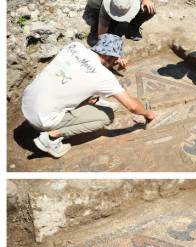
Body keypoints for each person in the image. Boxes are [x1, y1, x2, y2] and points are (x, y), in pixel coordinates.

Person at [21, 34, 156, 158]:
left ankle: (80, 108)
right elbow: (132, 107)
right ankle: (50, 138)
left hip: (27, 102)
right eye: (115, 58)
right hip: (41, 120)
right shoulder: (103, 76)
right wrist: (147, 114)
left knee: (79, 86)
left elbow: (81, 74)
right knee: (107, 115)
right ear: (110, 57)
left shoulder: (74, 46)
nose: (116, 61)